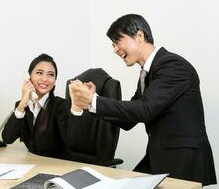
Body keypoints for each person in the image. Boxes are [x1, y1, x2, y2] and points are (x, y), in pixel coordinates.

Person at [69, 14, 216, 186]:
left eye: (118, 41)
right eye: (113, 45)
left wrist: (93, 101)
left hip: (183, 159)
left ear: (139, 36)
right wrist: (93, 103)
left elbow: (145, 110)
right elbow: (130, 120)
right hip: (159, 155)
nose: (115, 49)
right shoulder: (147, 73)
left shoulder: (172, 65)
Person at [2, 53, 70, 159]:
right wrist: (22, 105)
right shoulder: (22, 107)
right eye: (39, 73)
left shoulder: (61, 106)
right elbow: (7, 138)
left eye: (51, 74)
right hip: (33, 164)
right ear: (29, 77)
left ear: (55, 81)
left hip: (57, 167)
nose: (45, 79)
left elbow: (71, 143)